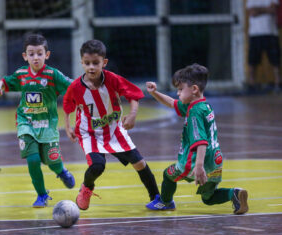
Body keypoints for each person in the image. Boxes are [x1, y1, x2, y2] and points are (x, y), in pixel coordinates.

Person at [63, 39, 159, 210]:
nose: (91, 67)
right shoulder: (76, 87)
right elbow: (67, 106)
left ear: (104, 63)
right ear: (81, 63)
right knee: (97, 166)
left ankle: (157, 198)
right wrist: (68, 127)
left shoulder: (113, 79)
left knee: (139, 163)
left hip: (114, 130)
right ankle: (86, 188)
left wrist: (132, 114)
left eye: (95, 63)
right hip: (89, 132)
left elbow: (133, 94)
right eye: (87, 63)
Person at [145, 63, 249, 215]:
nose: (178, 94)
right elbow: (173, 103)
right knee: (208, 197)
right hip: (215, 161)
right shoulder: (203, 106)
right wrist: (155, 93)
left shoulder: (194, 112)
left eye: (180, 89)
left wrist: (198, 166)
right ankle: (234, 193)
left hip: (195, 161)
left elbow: (200, 141)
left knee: (168, 175)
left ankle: (166, 202)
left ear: (194, 89)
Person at [0, 33, 75, 208]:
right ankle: (42, 195)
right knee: (33, 159)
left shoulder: (53, 75)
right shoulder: (22, 74)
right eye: (31, 54)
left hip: (48, 125)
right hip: (26, 123)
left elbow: (73, 86)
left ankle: (60, 171)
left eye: (39, 53)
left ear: (47, 55)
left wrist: (87, 92)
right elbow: (6, 81)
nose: (35, 57)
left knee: (52, 161)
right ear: (25, 56)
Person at [246, 0, 281, 93]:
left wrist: (258, 10)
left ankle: (278, 83)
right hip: (255, 33)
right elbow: (252, 12)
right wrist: (266, 9)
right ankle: (251, 84)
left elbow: (273, 10)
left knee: (275, 60)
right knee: (252, 60)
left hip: (271, 32)